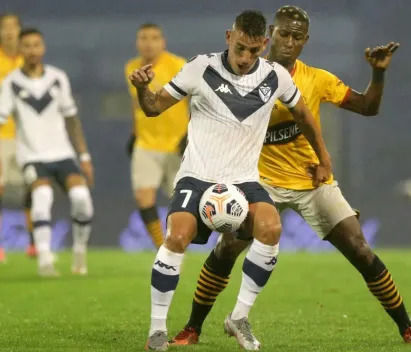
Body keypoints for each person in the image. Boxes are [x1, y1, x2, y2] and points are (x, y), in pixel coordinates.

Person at [169, 5, 411, 347]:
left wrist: (378, 74)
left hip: (311, 181)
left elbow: (368, 107)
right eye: (283, 34)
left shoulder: (317, 79)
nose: (289, 41)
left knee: (360, 249)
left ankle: (407, 326)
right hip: (258, 179)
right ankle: (192, 328)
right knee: (228, 247)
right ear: (269, 37)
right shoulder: (240, 76)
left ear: (305, 41)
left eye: (297, 36)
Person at [129, 9, 332, 351]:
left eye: (253, 50)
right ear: (229, 37)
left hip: (244, 182)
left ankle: (238, 317)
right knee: (176, 237)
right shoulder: (200, 68)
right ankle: (157, 330)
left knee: (271, 229)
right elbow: (152, 107)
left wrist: (324, 160)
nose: (244, 57)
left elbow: (304, 116)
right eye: (240, 47)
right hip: (196, 177)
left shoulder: (275, 77)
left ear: (264, 44)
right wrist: (142, 88)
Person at [0, 28, 94, 276]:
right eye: (27, 45)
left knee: (81, 199)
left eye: (36, 45)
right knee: (41, 198)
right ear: (20, 50)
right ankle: (44, 259)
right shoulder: (10, 83)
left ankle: (79, 252)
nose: (32, 50)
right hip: (32, 156)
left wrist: (84, 156)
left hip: (62, 153)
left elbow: (72, 119)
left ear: (43, 48)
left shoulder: (57, 78)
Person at [125, 23, 188, 250]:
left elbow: (194, 103)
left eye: (154, 38)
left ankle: (177, 244)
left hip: (176, 145)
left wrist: (191, 134)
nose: (148, 43)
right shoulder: (131, 67)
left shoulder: (178, 66)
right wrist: (134, 134)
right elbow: (136, 104)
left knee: (181, 204)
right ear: (137, 42)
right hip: (146, 144)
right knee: (143, 198)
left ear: (163, 42)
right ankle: (162, 249)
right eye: (143, 38)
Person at [0, 12, 36, 263]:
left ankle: (35, 244)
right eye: (4, 27)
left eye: (14, 27)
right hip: (1, 135)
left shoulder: (30, 61)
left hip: (28, 137)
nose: (9, 32)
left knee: (34, 188)